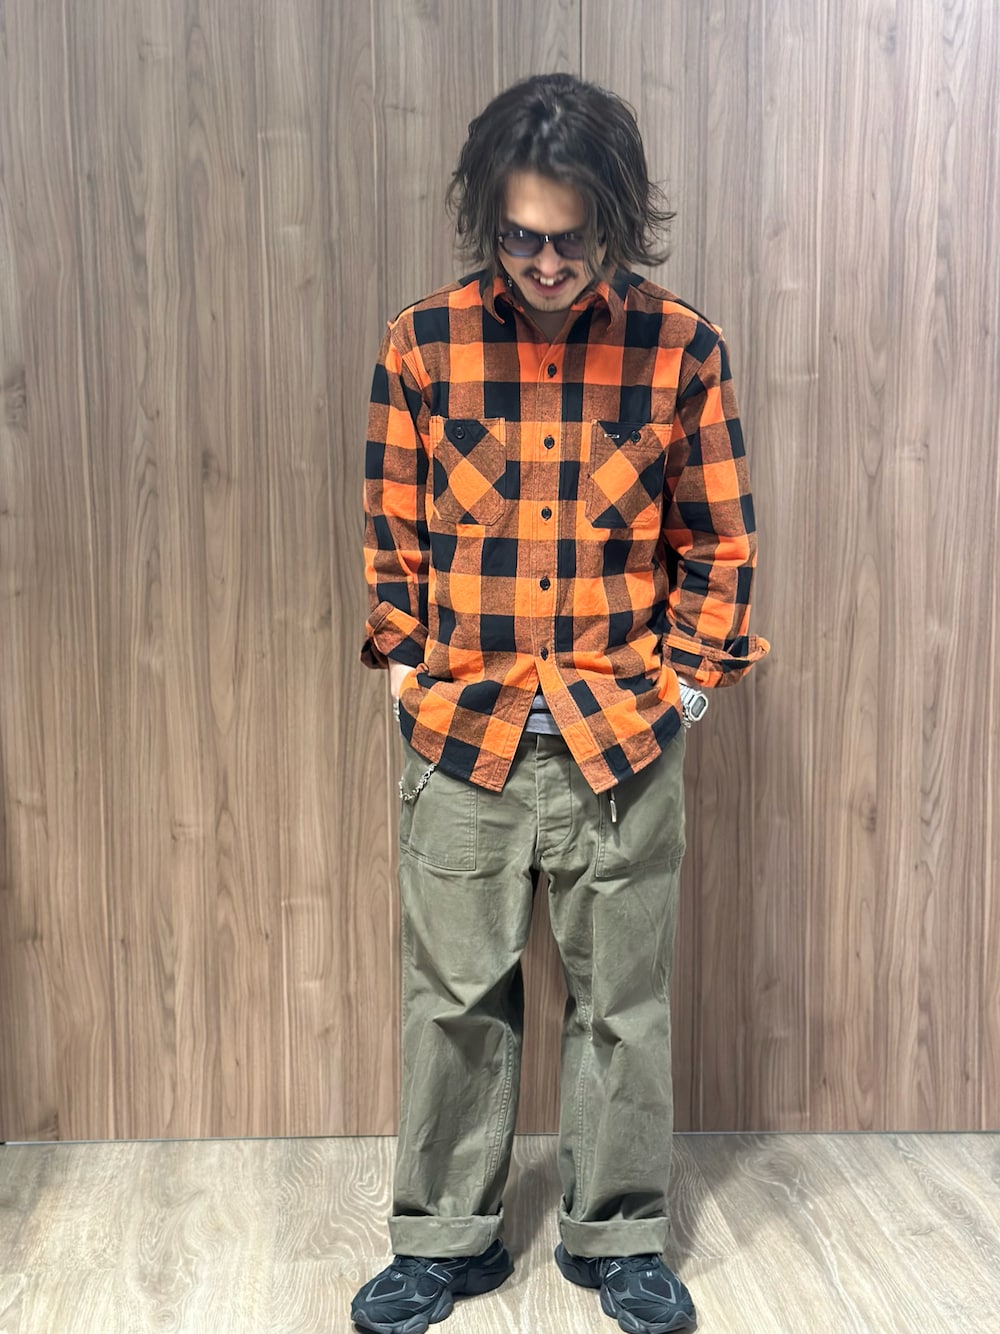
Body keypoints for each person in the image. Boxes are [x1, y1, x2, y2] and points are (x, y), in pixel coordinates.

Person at [353, 72, 769, 1334]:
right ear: (489, 216)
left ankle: (619, 1232)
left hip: (622, 738)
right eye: (520, 237)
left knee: (623, 1005)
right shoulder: (420, 345)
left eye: (571, 239)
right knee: (451, 999)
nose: (545, 263)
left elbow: (719, 543)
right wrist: (407, 670)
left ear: (616, 221)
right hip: (462, 737)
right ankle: (443, 1236)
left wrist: (683, 695)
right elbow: (392, 535)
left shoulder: (682, 349)